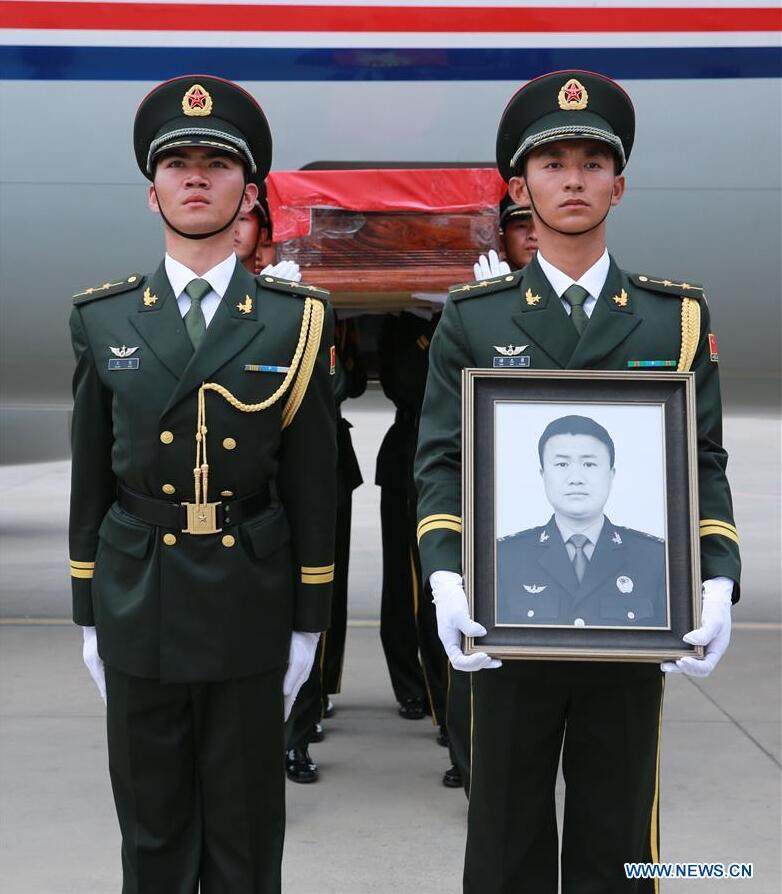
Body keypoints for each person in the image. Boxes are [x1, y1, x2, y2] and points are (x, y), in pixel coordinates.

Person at [415, 70, 740, 892]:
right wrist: (447, 575)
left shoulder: (675, 318)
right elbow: (443, 461)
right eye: (553, 162)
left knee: (619, 841)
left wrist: (717, 581)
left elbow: (700, 461)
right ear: (520, 186)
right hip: (506, 626)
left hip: (630, 623)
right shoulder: (474, 318)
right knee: (503, 840)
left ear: (618, 185)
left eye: (592, 162)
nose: (572, 179)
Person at [69, 74, 336, 893]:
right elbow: (89, 478)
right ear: (152, 192)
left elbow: (313, 481)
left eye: (216, 165)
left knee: (246, 833)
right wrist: (88, 612)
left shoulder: (295, 319)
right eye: (177, 164)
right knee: (152, 829)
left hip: (247, 598)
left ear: (246, 191)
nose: (195, 177)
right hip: (139, 593)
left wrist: (308, 623)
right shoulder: (105, 318)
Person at [285, 315, 367, 783]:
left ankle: (301, 728)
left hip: (322, 475)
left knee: (317, 606)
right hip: (253, 481)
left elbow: (337, 384)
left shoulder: (316, 318)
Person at [497, 414, 666, 627]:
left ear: (611, 475)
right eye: (561, 464)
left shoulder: (656, 559)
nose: (576, 478)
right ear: (543, 474)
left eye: (589, 464)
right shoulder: (504, 558)